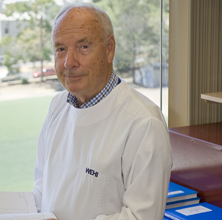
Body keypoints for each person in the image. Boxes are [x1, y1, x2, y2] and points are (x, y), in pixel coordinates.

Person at [33, 2, 173, 220]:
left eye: (83, 47)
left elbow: (141, 217)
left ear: (109, 48)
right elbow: (42, 190)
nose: (69, 62)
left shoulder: (144, 123)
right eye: (61, 49)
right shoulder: (57, 107)